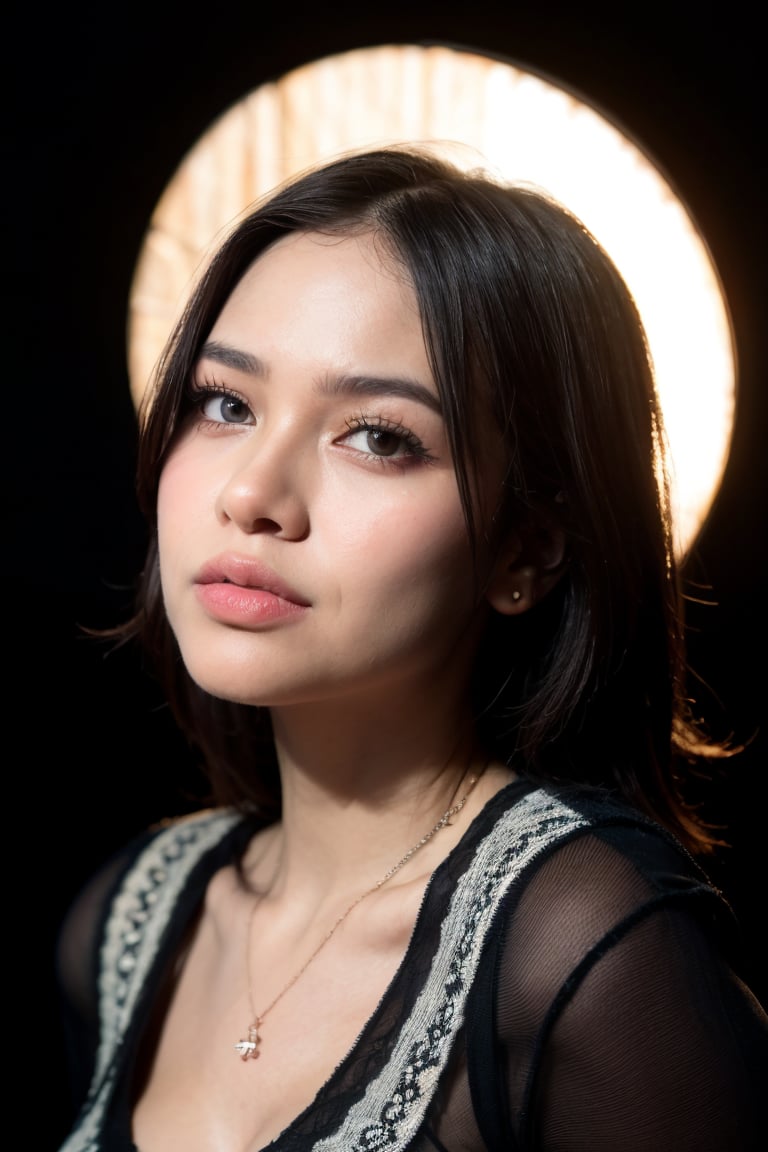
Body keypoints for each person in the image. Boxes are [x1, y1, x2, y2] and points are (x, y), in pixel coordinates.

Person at [56, 144, 767, 1152]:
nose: (251, 495)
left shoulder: (584, 956)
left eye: (379, 436)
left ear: (525, 549)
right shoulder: (126, 925)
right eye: (227, 403)